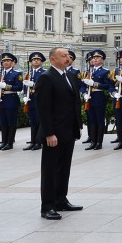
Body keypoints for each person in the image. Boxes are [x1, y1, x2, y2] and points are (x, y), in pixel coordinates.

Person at [37, 46, 84, 220]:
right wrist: (49, 133)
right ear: (53, 59)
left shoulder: (70, 76)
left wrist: (77, 125)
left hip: (68, 131)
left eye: (68, 56)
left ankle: (60, 199)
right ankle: (47, 206)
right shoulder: (46, 78)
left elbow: (75, 103)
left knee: (64, 168)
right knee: (50, 170)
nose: (67, 58)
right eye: (63, 56)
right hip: (54, 133)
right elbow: (44, 109)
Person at [80, 50, 113, 150]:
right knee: (92, 121)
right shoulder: (87, 72)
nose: (95, 59)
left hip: (99, 97)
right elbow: (81, 86)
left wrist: (94, 84)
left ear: (102, 60)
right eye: (94, 58)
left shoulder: (105, 72)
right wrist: (84, 93)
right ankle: (93, 141)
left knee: (99, 120)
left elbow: (108, 85)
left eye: (98, 58)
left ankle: (99, 142)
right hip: (89, 98)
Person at [0, 52, 24, 150]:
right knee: (3, 122)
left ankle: (9, 143)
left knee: (11, 122)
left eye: (8, 61)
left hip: (11, 100)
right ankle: (4, 142)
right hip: (1, 101)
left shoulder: (16, 74)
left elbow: (19, 87)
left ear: (12, 62)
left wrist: (6, 86)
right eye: (4, 61)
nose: (5, 63)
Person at [23, 52, 47, 151]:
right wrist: (25, 95)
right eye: (33, 59)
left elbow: (45, 86)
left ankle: (39, 142)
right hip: (31, 100)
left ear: (41, 62)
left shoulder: (44, 72)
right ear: (31, 62)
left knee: (39, 121)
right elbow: (25, 87)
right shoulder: (29, 73)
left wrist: (34, 84)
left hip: (40, 100)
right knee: (32, 122)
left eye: (38, 59)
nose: (36, 61)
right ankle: (32, 141)